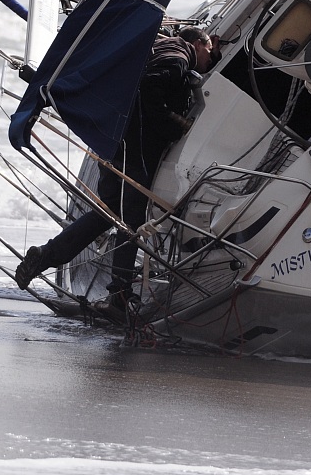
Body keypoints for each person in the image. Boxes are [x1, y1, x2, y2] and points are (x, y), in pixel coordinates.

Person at [15, 26, 214, 311]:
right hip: (135, 146)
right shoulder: (178, 56)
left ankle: (46, 255)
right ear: (197, 43)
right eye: (208, 52)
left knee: (108, 213)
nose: (209, 60)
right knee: (131, 219)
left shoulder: (156, 48)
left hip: (111, 140)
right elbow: (150, 87)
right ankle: (119, 294)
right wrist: (172, 126)